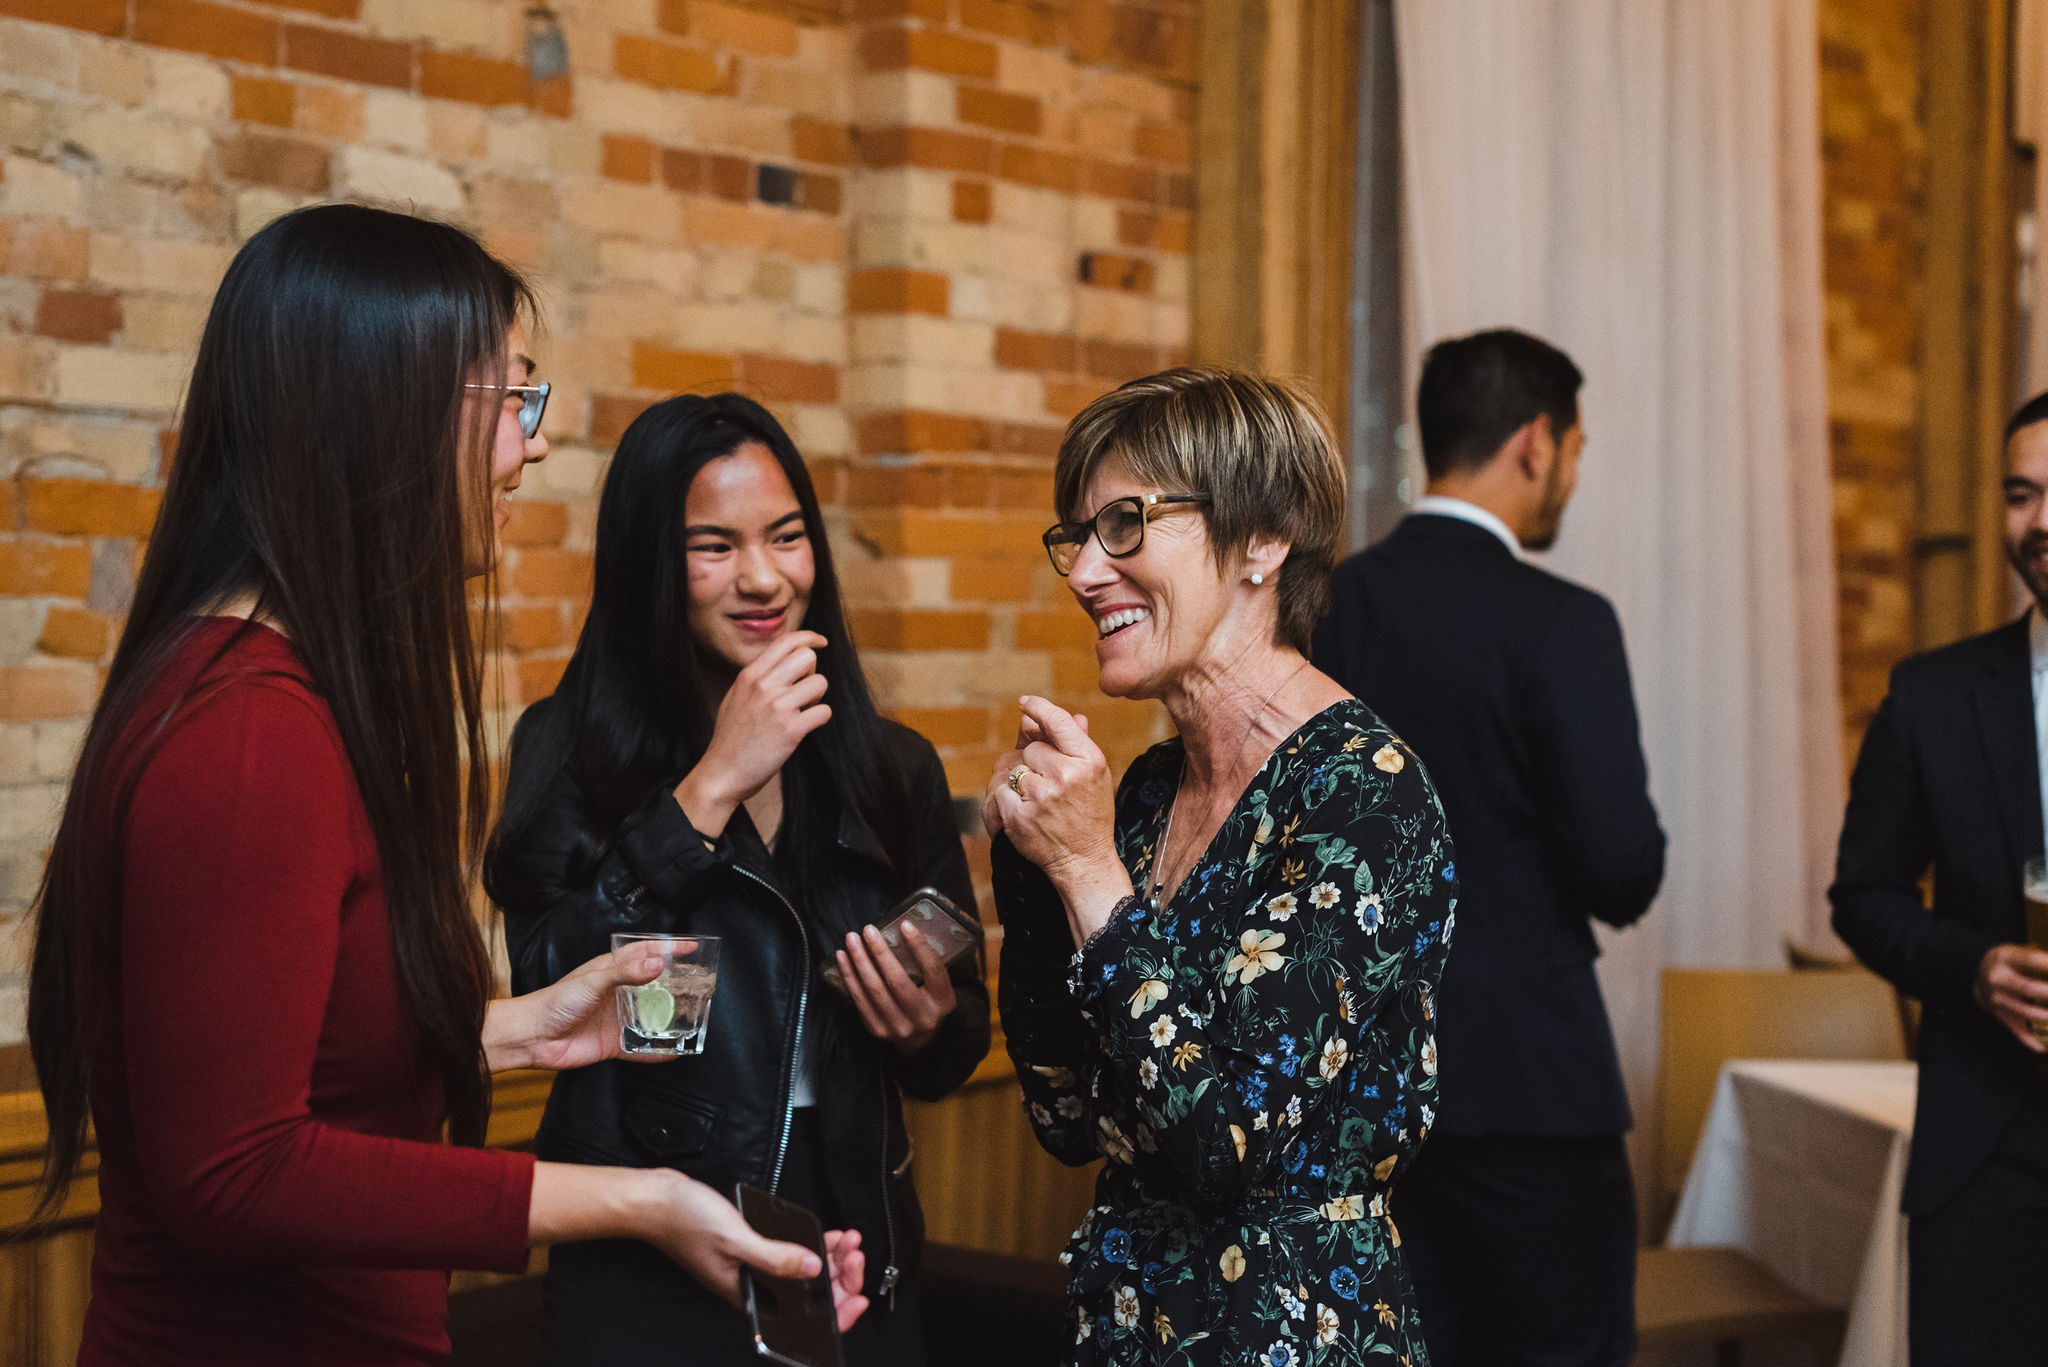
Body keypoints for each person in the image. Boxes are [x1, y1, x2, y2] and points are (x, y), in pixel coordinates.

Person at [24, 204, 865, 1367]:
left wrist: (517, 1029)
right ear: (383, 415)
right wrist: (639, 1201)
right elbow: (234, 1167)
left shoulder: (279, 695)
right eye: (512, 400)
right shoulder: (248, 734)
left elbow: (298, 1052)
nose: (530, 445)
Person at [484, 391, 990, 1366]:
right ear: (646, 566)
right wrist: (709, 786)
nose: (763, 577)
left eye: (787, 536)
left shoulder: (890, 768)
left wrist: (926, 1022)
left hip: (853, 1242)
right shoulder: (568, 750)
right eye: (713, 546)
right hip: (646, 1253)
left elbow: (955, 1039)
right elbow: (554, 989)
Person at [989, 366, 1454, 1366]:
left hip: (1287, 1328)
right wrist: (1033, 868)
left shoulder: (1362, 793)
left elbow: (1224, 1140)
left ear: (1262, 538)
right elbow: (1066, 1116)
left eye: (1125, 523)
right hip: (1129, 1324)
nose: (1081, 572)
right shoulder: (1148, 791)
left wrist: (1085, 873)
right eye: (1078, 534)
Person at [1313, 328, 1665, 1367]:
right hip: (1527, 1084)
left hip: (1354, 1072)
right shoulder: (1560, 622)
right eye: (1572, 449)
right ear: (1532, 441)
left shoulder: (1323, 607)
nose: (1566, 474)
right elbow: (1620, 869)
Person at [1830, 391, 2048, 1365]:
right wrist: (1972, 964)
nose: (2038, 521)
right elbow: (1861, 896)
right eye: (2018, 493)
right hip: (1984, 1157)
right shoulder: (1930, 694)